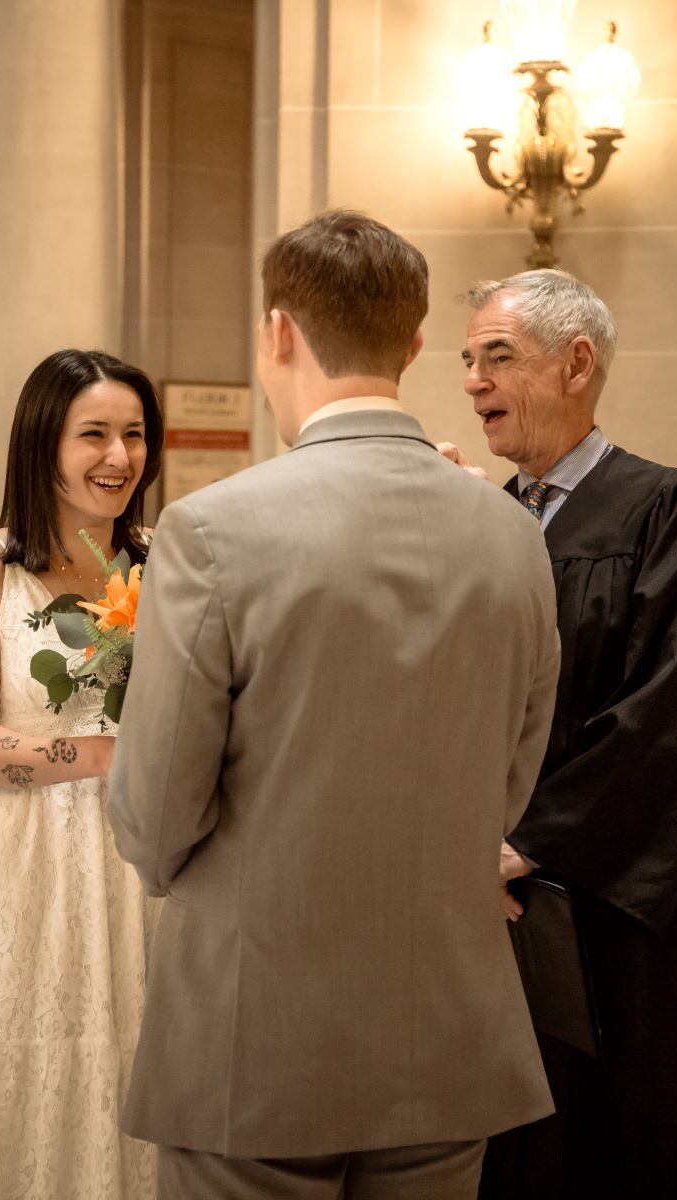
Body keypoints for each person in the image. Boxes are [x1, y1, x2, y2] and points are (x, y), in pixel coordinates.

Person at [108, 210, 561, 1200]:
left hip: (253, 1029)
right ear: (409, 342)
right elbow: (514, 771)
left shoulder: (214, 529)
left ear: (278, 332)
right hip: (443, 1030)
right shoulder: (510, 533)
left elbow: (153, 806)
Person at [455, 269, 677, 1200]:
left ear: (577, 364)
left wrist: (528, 845)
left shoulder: (664, 510)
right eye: (468, 360)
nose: (472, 380)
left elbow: (667, 710)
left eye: (498, 357)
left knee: (603, 1128)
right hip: (481, 887)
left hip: (600, 894)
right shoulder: (484, 518)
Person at [0, 349, 164, 1200]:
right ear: (42, 444)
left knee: (141, 1056)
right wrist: (108, 757)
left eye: (134, 434)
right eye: (93, 434)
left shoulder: (164, 561)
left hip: (146, 868)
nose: (119, 457)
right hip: (28, 868)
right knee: (26, 1053)